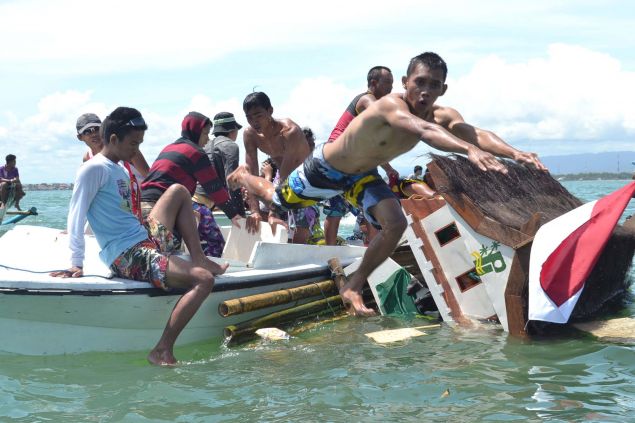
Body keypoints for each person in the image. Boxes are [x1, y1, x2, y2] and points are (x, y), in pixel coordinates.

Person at [227, 53, 511, 316]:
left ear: (443, 90)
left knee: (396, 224)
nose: (425, 91)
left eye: (434, 85)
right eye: (419, 82)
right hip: (328, 167)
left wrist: (515, 154)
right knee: (278, 198)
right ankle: (243, 176)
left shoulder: (440, 114)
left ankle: (353, 283)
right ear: (403, 83)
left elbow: (475, 133)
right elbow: (421, 129)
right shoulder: (383, 104)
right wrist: (468, 150)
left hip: (362, 174)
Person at [51, 107, 228, 365]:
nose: (137, 151)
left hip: (143, 238)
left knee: (179, 190)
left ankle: (198, 257)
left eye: (140, 143)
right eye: (133, 144)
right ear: (113, 139)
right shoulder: (93, 169)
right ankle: (162, 350)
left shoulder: (120, 169)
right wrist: (76, 262)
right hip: (127, 254)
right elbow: (75, 216)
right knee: (203, 280)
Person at [141, 112, 243, 245]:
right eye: (205, 134)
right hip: (161, 208)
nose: (207, 140)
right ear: (196, 132)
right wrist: (233, 214)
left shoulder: (170, 147)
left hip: (143, 206)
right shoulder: (195, 152)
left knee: (155, 251)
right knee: (169, 253)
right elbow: (213, 187)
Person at [323, 66, 397, 246]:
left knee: (361, 205)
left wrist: (388, 168)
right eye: (388, 83)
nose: (391, 88)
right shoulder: (365, 100)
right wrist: (388, 168)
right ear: (373, 83)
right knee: (344, 208)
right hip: (339, 155)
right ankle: (332, 252)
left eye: (392, 84)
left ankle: (368, 247)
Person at [242, 92, 311, 232]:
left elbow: (286, 175)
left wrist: (273, 212)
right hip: (281, 177)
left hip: (305, 179)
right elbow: (251, 173)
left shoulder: (289, 132)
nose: (254, 122)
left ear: (270, 111)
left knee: (301, 227)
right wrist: (254, 211)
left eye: (258, 115)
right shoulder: (250, 134)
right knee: (256, 204)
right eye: (249, 118)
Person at [76, 113, 150, 221]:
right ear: (80, 137)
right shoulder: (88, 158)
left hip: (143, 201)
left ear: (103, 130)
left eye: (97, 128)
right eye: (87, 131)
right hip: (120, 208)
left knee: (159, 234)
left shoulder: (127, 149)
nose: (93, 134)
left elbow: (150, 177)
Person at [191, 111, 245, 257]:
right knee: (217, 246)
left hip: (191, 204)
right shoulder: (230, 146)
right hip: (201, 206)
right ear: (232, 131)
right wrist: (240, 214)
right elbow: (232, 182)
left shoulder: (205, 145)